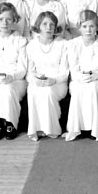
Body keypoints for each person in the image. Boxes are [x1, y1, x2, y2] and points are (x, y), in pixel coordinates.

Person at [0, 2, 28, 141]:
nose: (4, 23)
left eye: (9, 19)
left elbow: (22, 69)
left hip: (16, 79)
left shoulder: (20, 40)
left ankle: (11, 123)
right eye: (1, 19)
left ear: (14, 20)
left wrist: (11, 77)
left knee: (8, 89)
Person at [65, 10, 98, 141]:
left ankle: (94, 129)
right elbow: (73, 69)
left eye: (91, 26)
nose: (88, 30)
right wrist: (81, 77)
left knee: (92, 89)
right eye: (84, 26)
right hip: (79, 79)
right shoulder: (73, 44)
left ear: (97, 27)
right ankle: (78, 128)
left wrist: (95, 76)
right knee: (78, 89)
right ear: (79, 27)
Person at [26, 12, 69, 140]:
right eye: (44, 24)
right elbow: (30, 72)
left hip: (58, 82)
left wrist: (52, 80)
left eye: (52, 24)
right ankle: (37, 129)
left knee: (48, 92)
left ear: (55, 27)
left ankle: (52, 129)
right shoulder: (32, 45)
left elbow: (65, 73)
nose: (48, 27)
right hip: (38, 81)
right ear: (38, 26)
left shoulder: (63, 44)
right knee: (32, 90)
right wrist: (35, 80)